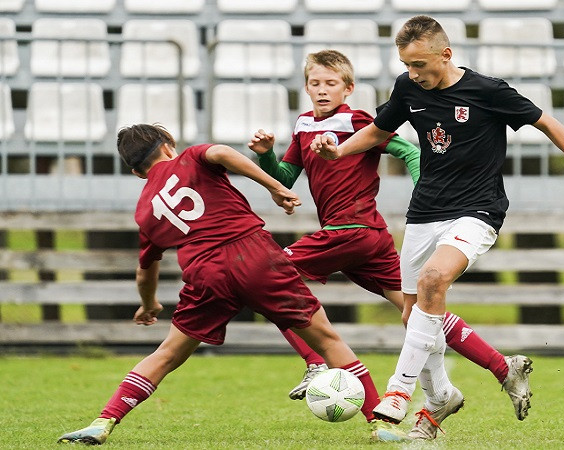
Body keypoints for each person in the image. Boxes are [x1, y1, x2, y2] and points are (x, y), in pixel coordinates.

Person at [311, 16, 564, 440]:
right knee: (412, 314)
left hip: (477, 210)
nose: (413, 74)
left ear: (446, 54)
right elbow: (379, 131)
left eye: (419, 65)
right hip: (424, 212)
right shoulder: (408, 87)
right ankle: (441, 397)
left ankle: (399, 392)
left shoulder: (488, 91)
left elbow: (550, 124)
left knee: (433, 280)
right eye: (406, 65)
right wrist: (339, 152)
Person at [250, 50, 533, 441]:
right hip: (367, 239)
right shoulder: (302, 126)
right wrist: (265, 155)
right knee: (418, 313)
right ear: (305, 87)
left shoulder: (357, 120)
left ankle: (316, 362)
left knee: (269, 275)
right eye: (315, 83)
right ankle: (502, 368)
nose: (321, 90)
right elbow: (286, 174)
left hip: (352, 230)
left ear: (348, 88)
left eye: (331, 83)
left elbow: (408, 150)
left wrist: (426, 192)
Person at [57, 124, 389, 445]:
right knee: (327, 339)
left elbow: (146, 269)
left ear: (137, 172)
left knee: (168, 353)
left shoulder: (145, 210)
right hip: (253, 255)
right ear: (168, 143)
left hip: (204, 272)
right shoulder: (192, 156)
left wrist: (149, 303)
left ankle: (104, 420)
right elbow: (222, 152)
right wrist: (274, 186)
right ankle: (379, 422)